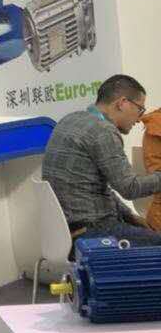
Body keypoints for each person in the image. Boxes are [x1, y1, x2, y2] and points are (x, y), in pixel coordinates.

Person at [42, 74, 161, 245]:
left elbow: (101, 188)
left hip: (66, 231)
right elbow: (130, 188)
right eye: (139, 109)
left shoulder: (70, 120)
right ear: (122, 103)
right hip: (93, 231)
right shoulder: (103, 131)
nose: (139, 118)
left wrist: (131, 216)